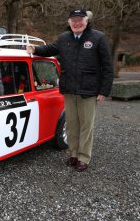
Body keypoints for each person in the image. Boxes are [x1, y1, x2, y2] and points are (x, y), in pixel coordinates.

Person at [26, 9, 114, 172]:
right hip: (69, 89)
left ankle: (83, 157)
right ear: (69, 22)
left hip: (89, 91)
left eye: (80, 19)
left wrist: (104, 90)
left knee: (86, 125)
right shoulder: (64, 38)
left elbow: (108, 67)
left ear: (86, 21)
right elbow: (49, 49)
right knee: (71, 125)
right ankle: (73, 153)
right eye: (73, 20)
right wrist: (35, 49)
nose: (77, 23)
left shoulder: (98, 38)